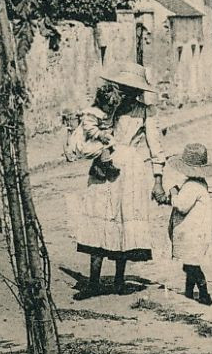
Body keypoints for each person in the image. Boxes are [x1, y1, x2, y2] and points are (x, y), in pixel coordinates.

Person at [67, 62, 165, 297]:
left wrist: (158, 179)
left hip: (130, 168)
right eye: (124, 88)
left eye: (132, 89)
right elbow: (89, 127)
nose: (127, 93)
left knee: (122, 218)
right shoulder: (106, 106)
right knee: (98, 214)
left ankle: (119, 280)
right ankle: (93, 282)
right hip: (105, 161)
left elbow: (156, 146)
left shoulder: (146, 112)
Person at [163, 142, 212, 305]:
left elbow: (182, 205)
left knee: (192, 265)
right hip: (197, 231)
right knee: (189, 263)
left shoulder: (191, 186)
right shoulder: (200, 184)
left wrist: (173, 192)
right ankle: (189, 291)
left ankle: (204, 293)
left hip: (192, 233)